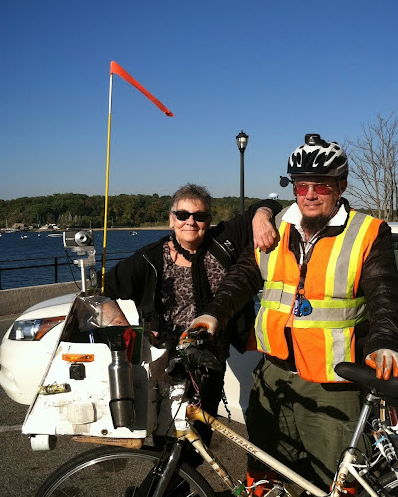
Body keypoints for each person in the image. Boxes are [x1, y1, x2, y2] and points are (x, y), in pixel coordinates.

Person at [185, 133, 398, 497]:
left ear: (340, 186)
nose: (309, 194)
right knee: (265, 458)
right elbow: (243, 277)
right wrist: (213, 313)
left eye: (320, 186)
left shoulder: (367, 232)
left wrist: (383, 342)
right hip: (274, 371)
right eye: (301, 184)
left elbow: (385, 296)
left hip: (333, 379)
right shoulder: (277, 228)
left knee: (341, 473)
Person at [103, 183, 281, 450]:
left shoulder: (223, 241)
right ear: (171, 219)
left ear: (209, 220)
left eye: (199, 216)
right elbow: (103, 292)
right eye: (182, 215)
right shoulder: (151, 258)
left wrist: (261, 216)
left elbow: (270, 205)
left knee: (198, 443)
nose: (190, 222)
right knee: (168, 442)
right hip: (166, 365)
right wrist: (131, 335)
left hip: (211, 361)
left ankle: (188, 475)